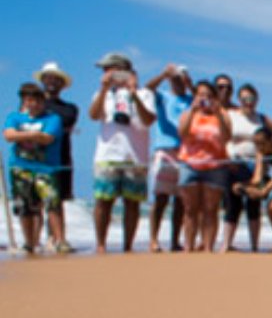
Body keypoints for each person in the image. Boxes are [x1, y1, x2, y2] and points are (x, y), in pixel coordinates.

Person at [88, 52, 156, 254]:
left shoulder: (144, 94)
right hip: (107, 156)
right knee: (103, 201)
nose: (107, 73)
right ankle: (101, 244)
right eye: (105, 70)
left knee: (132, 203)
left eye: (110, 69)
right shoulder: (104, 94)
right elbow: (93, 115)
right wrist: (103, 89)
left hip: (135, 156)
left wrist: (133, 93)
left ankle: (128, 245)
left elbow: (149, 120)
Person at [3, 83, 65, 253]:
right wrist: (34, 134)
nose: (34, 104)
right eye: (30, 100)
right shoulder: (14, 117)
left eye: (38, 101)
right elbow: (8, 135)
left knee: (52, 203)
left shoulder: (53, 119)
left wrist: (22, 135)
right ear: (25, 102)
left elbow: (48, 138)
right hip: (20, 167)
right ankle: (30, 243)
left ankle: (59, 240)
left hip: (46, 168)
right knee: (25, 207)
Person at [223, 83, 272, 252]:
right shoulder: (231, 115)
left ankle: (254, 245)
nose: (248, 102)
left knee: (253, 203)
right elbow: (222, 137)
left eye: (252, 98)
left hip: (257, 165)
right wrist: (227, 158)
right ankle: (226, 244)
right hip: (235, 163)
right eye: (244, 98)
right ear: (239, 100)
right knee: (232, 203)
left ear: (257, 99)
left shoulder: (262, 118)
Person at [176, 81, 232, 252]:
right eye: (201, 95)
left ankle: (208, 247)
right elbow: (183, 133)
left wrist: (219, 115)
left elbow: (226, 137)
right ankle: (188, 246)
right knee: (190, 209)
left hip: (215, 165)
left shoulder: (222, 114)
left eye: (209, 95)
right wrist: (193, 111)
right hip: (190, 164)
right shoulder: (188, 113)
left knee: (210, 209)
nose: (205, 99)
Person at [143, 64, 191, 253]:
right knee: (160, 197)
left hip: (185, 152)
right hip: (164, 150)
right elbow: (147, 89)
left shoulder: (191, 99)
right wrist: (163, 75)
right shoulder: (163, 96)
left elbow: (206, 101)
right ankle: (153, 239)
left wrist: (191, 84)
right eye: (176, 78)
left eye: (181, 78)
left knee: (180, 200)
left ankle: (175, 240)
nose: (179, 81)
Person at [34, 62, 77, 253]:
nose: (52, 82)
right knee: (34, 201)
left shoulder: (69, 108)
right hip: (35, 157)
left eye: (56, 79)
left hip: (61, 157)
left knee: (56, 201)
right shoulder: (33, 105)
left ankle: (57, 238)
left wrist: (41, 128)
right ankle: (34, 241)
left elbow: (64, 121)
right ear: (42, 81)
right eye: (48, 78)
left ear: (61, 83)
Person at [238, 126, 272, 248]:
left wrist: (264, 191)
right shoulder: (261, 151)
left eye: (262, 143)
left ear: (271, 140)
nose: (260, 147)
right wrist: (243, 186)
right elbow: (257, 178)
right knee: (271, 208)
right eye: (256, 144)